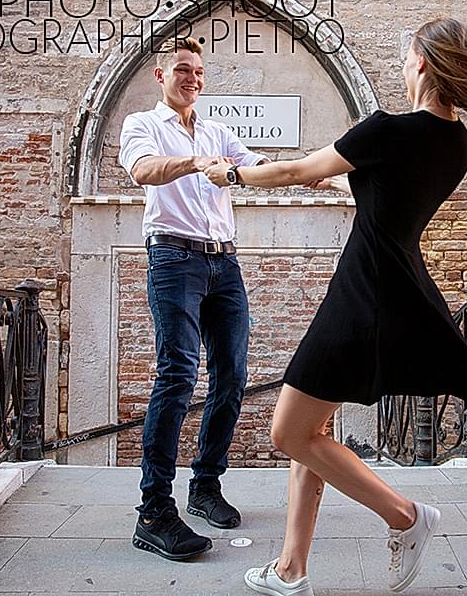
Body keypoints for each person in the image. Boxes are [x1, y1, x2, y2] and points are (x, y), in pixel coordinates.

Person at [204, 17, 467, 594]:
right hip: (393, 284)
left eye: (406, 56)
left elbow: (290, 169)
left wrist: (231, 173)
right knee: (316, 429)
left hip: (363, 293)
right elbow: (391, 194)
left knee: (289, 432)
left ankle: (405, 518)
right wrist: (341, 182)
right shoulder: (457, 142)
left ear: (423, 65)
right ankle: (291, 570)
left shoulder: (386, 128)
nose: (401, 65)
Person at [118, 37, 269, 561]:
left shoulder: (219, 131)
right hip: (173, 260)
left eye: (200, 72)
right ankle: (154, 512)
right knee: (178, 374)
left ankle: (205, 486)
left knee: (232, 374)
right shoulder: (142, 124)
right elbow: (143, 171)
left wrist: (334, 170)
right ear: (161, 75)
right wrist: (194, 162)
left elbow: (257, 169)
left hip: (224, 262)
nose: (193, 79)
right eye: (183, 70)